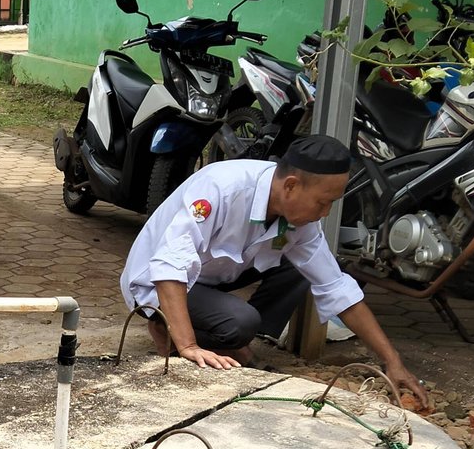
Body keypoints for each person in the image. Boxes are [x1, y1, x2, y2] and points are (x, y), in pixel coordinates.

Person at [119, 134, 430, 407]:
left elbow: (336, 287)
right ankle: (173, 330)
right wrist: (188, 345)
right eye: (322, 203)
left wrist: (393, 362)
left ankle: (231, 338)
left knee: (301, 269)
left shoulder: (298, 216)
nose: (325, 213)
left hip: (216, 275)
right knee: (242, 321)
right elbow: (170, 264)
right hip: (155, 280)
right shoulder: (221, 188)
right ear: (291, 186)